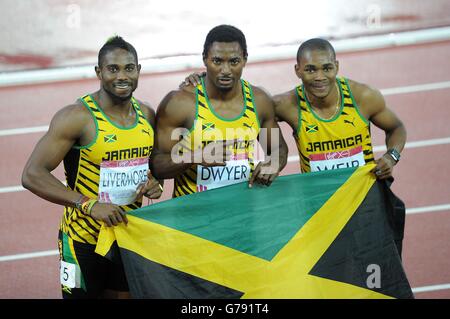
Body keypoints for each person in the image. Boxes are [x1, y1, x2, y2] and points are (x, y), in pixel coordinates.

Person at [21, 36, 162, 299]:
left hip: (127, 236)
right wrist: (89, 204)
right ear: (99, 72)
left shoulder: (147, 115)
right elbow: (32, 174)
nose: (122, 76)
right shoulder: (76, 117)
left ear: (139, 70)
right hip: (82, 241)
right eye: (113, 69)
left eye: (129, 68)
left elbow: (149, 165)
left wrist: (154, 183)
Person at [151, 25, 288, 197]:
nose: (225, 70)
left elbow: (277, 149)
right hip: (193, 217)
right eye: (217, 61)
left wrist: (274, 163)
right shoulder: (179, 103)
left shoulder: (259, 101)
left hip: (243, 213)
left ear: (245, 59)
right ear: (205, 59)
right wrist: (194, 157)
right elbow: (157, 165)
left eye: (234, 61)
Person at [274, 38, 406, 178]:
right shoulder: (286, 105)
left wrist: (392, 156)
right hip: (319, 196)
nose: (319, 77)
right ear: (297, 70)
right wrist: (272, 161)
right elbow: (262, 118)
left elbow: (396, 128)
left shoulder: (363, 97)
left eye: (327, 68)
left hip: (365, 192)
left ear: (336, 67)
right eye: (310, 70)